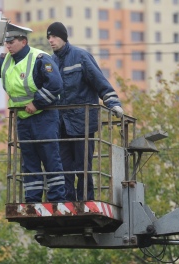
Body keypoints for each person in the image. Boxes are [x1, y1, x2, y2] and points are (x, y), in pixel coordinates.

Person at [0, 23, 66, 203]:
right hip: (23, 119)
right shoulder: (6, 60)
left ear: (23, 42)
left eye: (11, 42)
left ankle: (57, 198)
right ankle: (33, 199)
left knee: (50, 157)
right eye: (6, 42)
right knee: (29, 161)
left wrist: (37, 103)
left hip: (44, 117)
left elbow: (55, 85)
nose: (8, 45)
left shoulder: (39, 59)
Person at [47, 22, 124, 201]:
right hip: (61, 125)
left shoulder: (81, 57)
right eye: (49, 37)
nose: (51, 40)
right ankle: (68, 203)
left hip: (83, 123)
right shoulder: (50, 62)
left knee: (83, 167)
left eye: (54, 37)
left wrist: (113, 103)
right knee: (64, 168)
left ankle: (85, 201)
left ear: (64, 37)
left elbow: (100, 82)